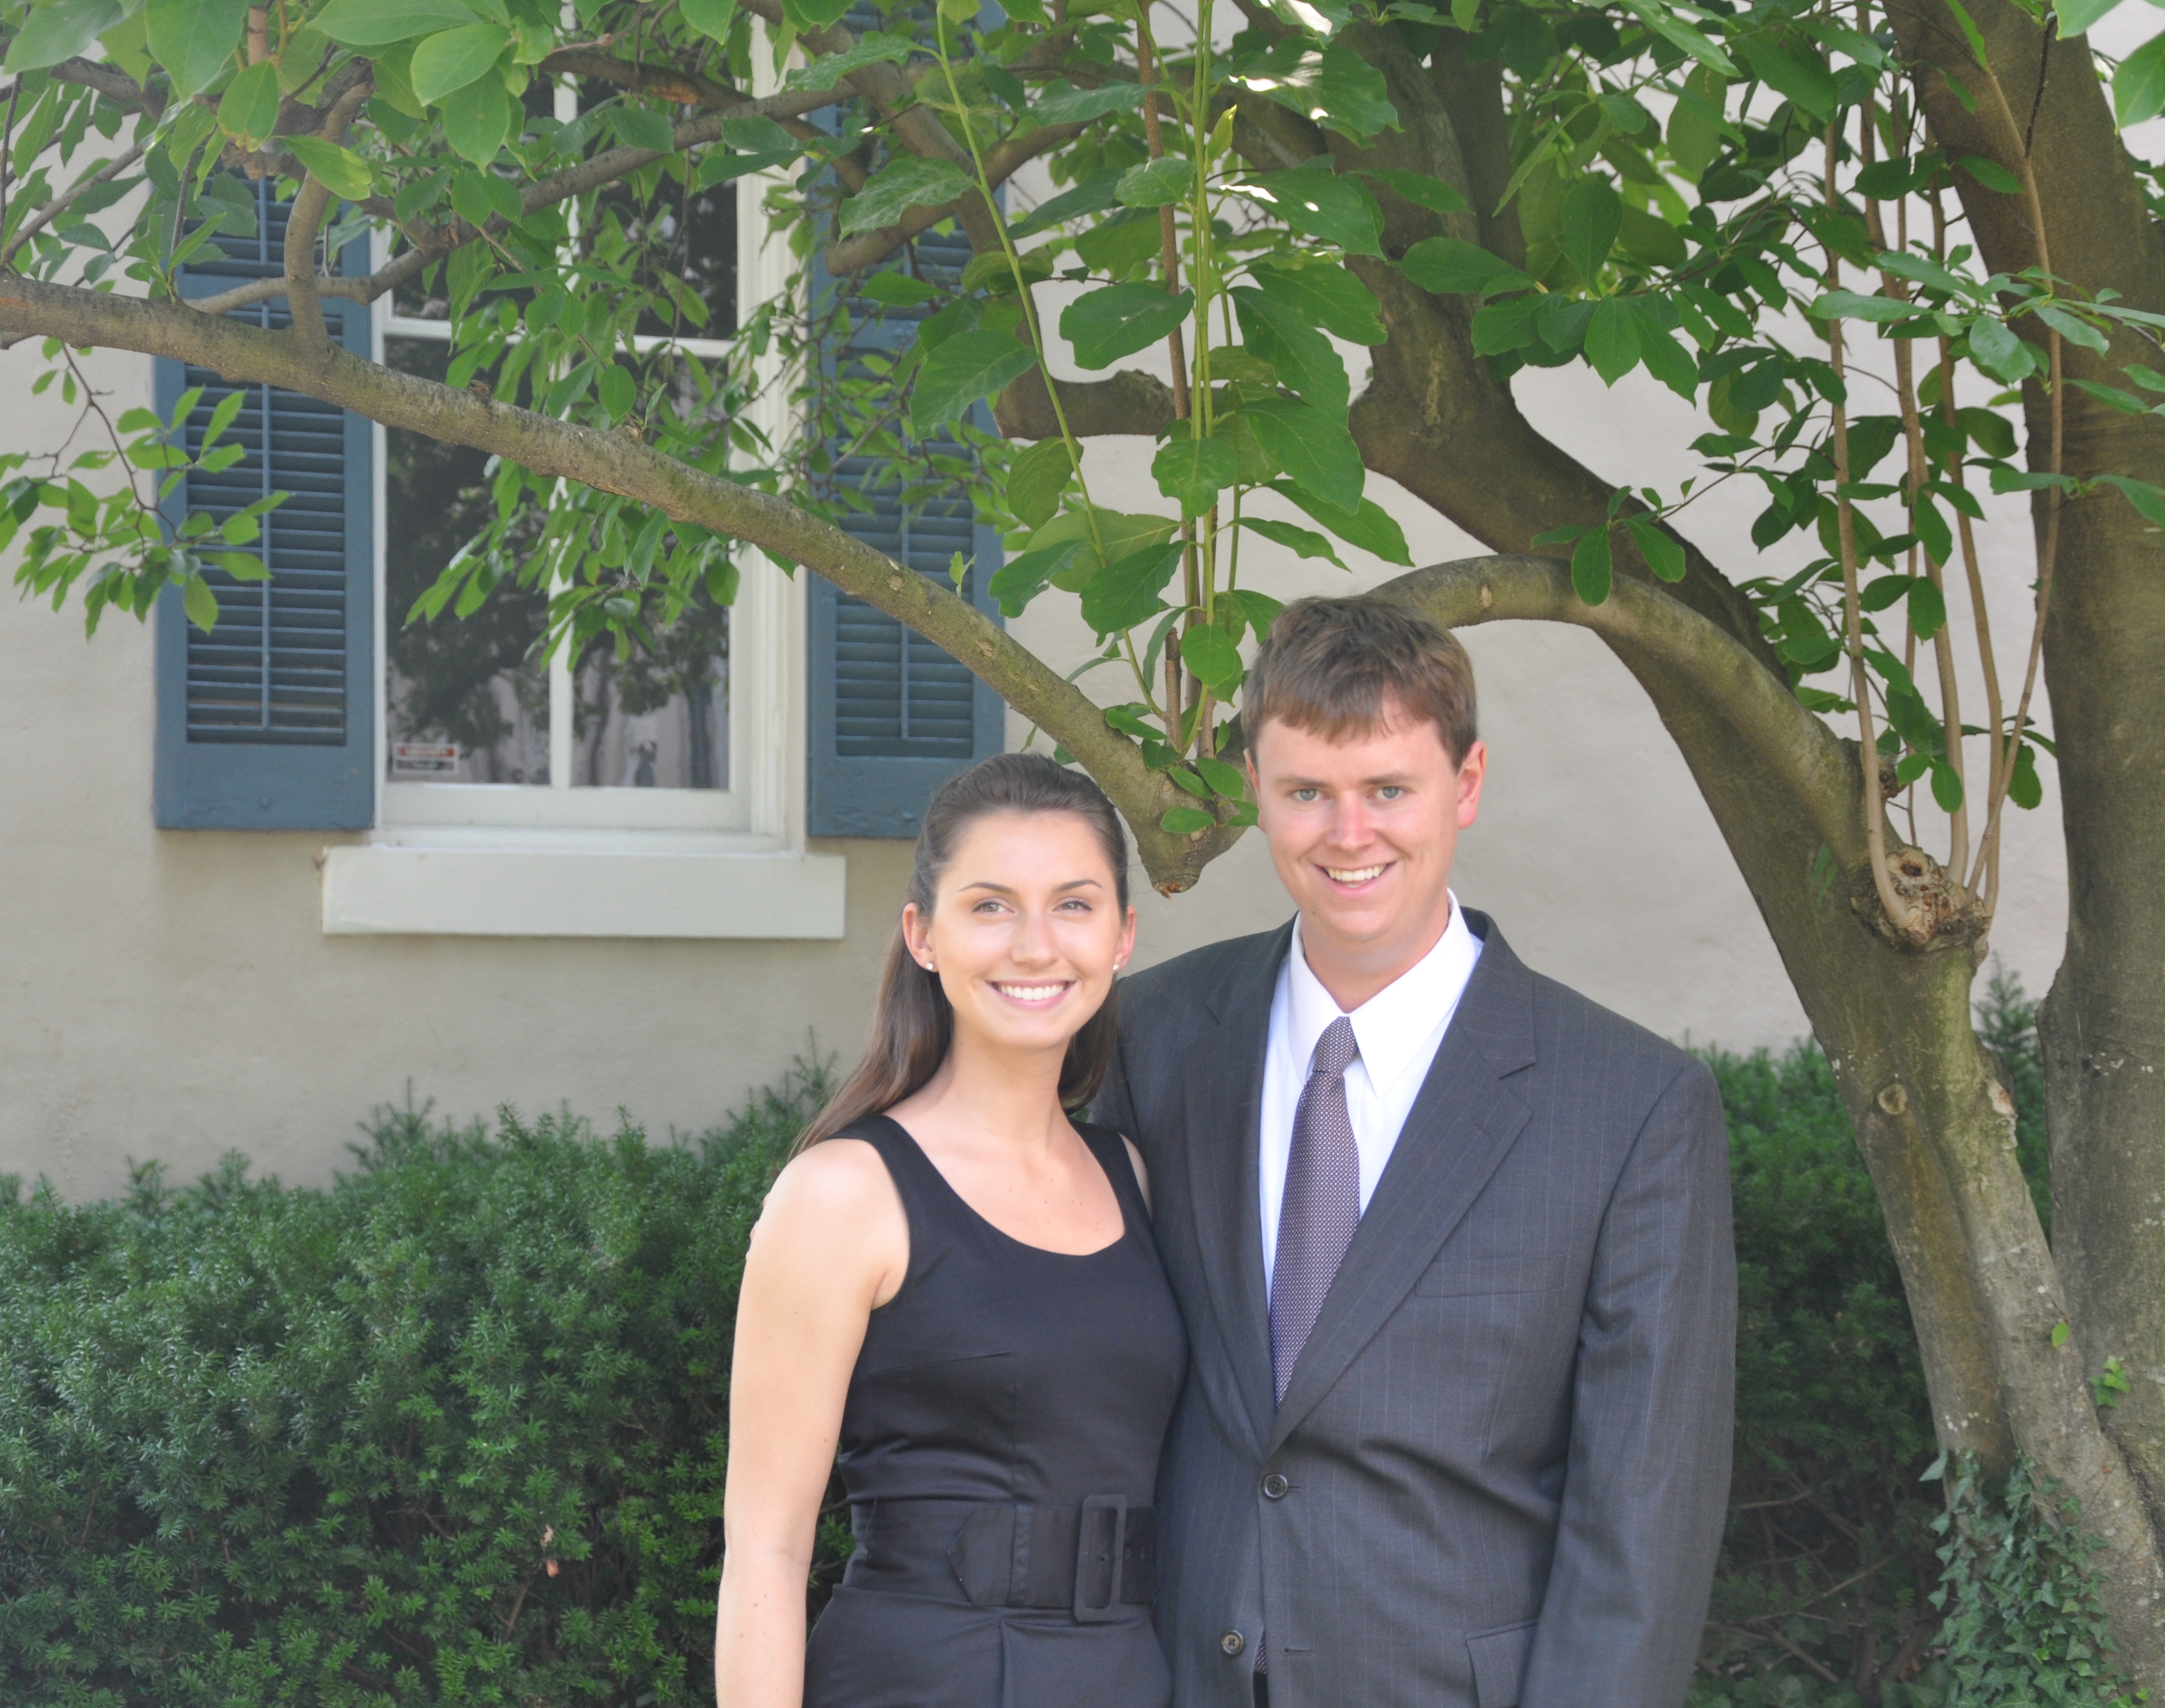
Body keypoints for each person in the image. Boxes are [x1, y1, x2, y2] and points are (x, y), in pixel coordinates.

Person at [1091, 597, 1737, 1708]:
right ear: (1254, 785)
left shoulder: (1632, 1107)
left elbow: (1643, 1527)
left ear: (1466, 784)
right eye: (1307, 792)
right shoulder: (1149, 1041)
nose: (1350, 835)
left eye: (1389, 789)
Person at [717, 753, 1186, 1708]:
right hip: (922, 1677)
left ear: (1123, 936)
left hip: (1124, 1678)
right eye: (990, 906)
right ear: (923, 936)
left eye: (1074, 904)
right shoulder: (845, 1194)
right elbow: (766, 1548)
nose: (1035, 946)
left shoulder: (1133, 1176)